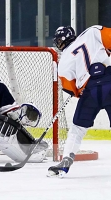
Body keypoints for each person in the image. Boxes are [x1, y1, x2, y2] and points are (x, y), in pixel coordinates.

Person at [47, 25, 111, 178]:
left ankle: (66, 162)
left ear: (60, 41)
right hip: (110, 82)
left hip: (90, 93)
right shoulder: (93, 30)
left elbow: (70, 89)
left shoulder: (64, 60)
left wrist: (81, 89)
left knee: (77, 129)